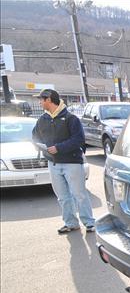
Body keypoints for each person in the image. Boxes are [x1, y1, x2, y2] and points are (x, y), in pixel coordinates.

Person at [32, 89, 95, 234]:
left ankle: (89, 223)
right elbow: (35, 136)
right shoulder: (42, 119)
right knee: (63, 197)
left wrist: (58, 148)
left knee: (79, 194)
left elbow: (78, 139)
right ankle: (71, 223)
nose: (39, 102)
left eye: (41, 99)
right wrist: (41, 146)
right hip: (53, 164)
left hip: (72, 163)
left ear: (48, 99)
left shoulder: (71, 118)